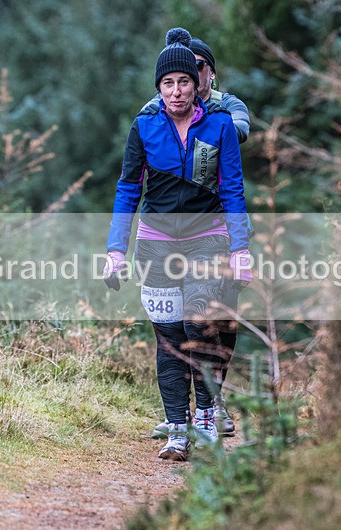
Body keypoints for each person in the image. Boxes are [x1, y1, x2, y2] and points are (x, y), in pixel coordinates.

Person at [103, 28, 252, 461]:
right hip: (155, 242)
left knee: (198, 323)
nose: (176, 90)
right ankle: (176, 429)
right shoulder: (144, 126)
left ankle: (205, 415)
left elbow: (233, 189)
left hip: (208, 236)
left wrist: (240, 249)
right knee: (168, 337)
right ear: (159, 88)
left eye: (184, 81)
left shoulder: (221, 125)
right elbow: (128, 188)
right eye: (167, 83)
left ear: (198, 83)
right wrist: (116, 249)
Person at [139, 35, 251, 440]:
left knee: (218, 320)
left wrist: (206, 126)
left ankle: (213, 404)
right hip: (169, 233)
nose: (190, 74)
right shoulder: (158, 108)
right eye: (175, 75)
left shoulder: (227, 106)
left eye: (197, 66)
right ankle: (180, 415)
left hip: (222, 226)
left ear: (209, 72)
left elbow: (241, 130)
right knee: (179, 325)